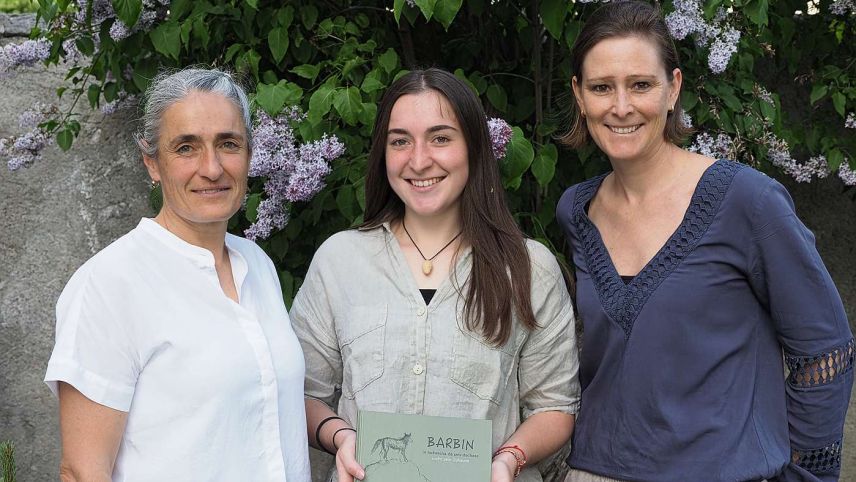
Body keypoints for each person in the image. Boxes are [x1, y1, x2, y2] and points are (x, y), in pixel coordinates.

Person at [556, 2, 853, 482]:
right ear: (579, 95)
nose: (621, 106)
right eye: (601, 87)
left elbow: (825, 351)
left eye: (641, 85)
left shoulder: (747, 201)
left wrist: (805, 476)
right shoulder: (577, 211)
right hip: (594, 472)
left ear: (673, 88)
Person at [290, 68, 581, 482]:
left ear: (474, 149)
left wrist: (510, 458)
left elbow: (554, 406)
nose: (419, 160)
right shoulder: (339, 261)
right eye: (400, 141)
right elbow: (302, 394)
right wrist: (341, 438)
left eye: (441, 138)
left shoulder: (530, 269)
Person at [44, 68, 311, 482]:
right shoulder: (110, 285)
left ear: (250, 154)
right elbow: (81, 472)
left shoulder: (256, 263)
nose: (212, 168)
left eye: (229, 144)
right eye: (186, 147)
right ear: (152, 163)